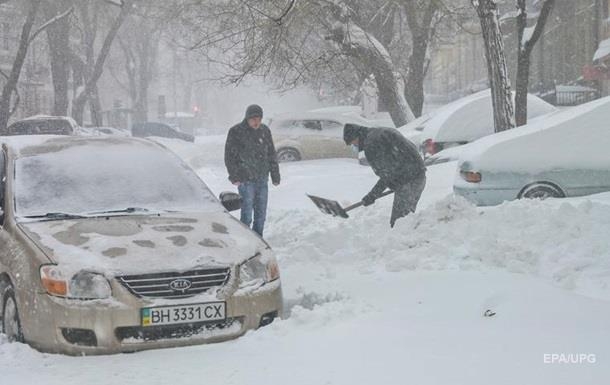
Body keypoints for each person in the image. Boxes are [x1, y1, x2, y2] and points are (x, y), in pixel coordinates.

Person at [343, 123, 426, 227]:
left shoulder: (371, 144)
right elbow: (406, 151)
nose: (354, 146)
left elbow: (387, 174)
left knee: (400, 223)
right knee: (405, 220)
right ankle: (410, 239)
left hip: (409, 180)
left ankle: (408, 241)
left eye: (352, 143)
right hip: (417, 175)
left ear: (356, 137)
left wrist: (372, 196)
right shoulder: (380, 131)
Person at [224, 104, 280, 237]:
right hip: (245, 179)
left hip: (261, 178)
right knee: (247, 214)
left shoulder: (265, 131)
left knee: (261, 214)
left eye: (259, 119)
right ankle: (246, 239)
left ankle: (258, 239)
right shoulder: (236, 132)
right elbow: (229, 156)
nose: (256, 122)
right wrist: (234, 176)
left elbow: (271, 153)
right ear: (247, 118)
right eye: (253, 119)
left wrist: (275, 175)